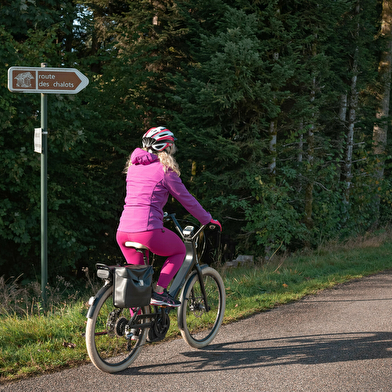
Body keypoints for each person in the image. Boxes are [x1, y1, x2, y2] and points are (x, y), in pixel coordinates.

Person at [116, 126, 222, 307]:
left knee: (137, 282)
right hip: (147, 231)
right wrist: (207, 220)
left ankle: (136, 329)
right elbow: (187, 200)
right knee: (180, 251)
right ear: (166, 148)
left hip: (123, 231)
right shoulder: (165, 171)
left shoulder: (133, 168)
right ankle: (160, 292)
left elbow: (141, 198)